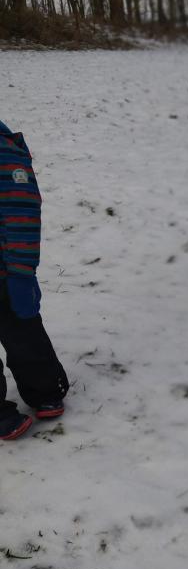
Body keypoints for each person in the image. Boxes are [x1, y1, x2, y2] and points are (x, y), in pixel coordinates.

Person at [0, 121, 69, 439]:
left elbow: (21, 211)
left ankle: (44, 390)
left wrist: (21, 271)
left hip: (6, 273)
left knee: (23, 331)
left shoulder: (5, 153)